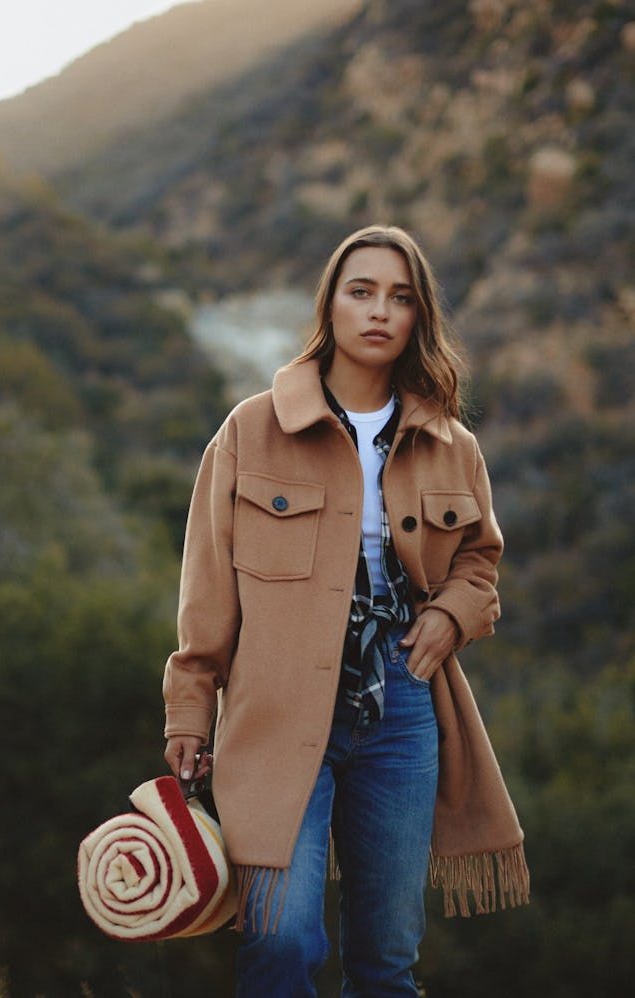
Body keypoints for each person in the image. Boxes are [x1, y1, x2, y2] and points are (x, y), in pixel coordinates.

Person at [163, 225, 529, 997]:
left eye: (399, 298)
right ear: (329, 304)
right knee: (281, 940)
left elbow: (480, 560)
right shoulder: (250, 430)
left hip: (402, 707)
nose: (379, 312)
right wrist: (190, 714)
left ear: (417, 318)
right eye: (360, 291)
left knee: (387, 959)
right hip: (273, 709)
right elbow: (207, 594)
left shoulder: (450, 442)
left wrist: (449, 616)